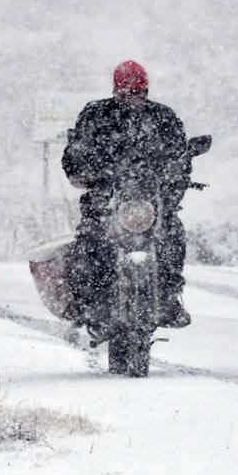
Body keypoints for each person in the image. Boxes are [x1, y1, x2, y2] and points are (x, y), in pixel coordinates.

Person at [62, 60, 191, 330]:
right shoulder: (96, 114)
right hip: (105, 199)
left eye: (139, 92)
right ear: (115, 89)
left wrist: (178, 178)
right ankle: (83, 299)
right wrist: (83, 170)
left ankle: (169, 294)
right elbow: (75, 151)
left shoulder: (162, 117)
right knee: (88, 238)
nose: (133, 98)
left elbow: (180, 156)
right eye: (126, 93)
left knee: (174, 233)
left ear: (147, 89)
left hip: (150, 201)